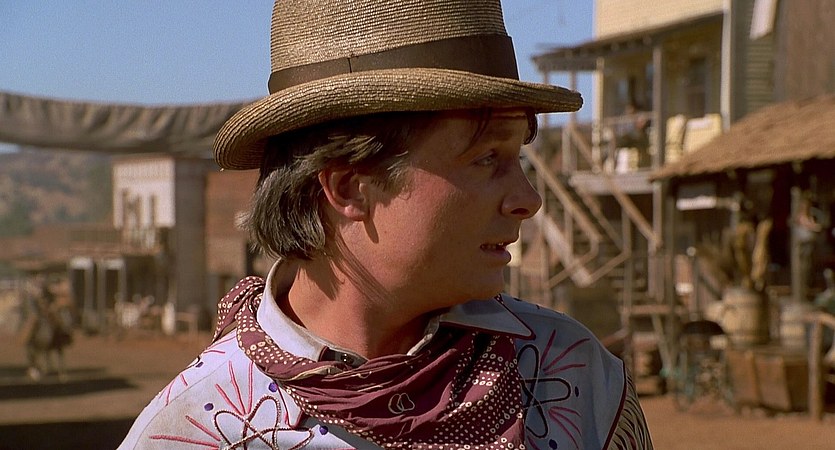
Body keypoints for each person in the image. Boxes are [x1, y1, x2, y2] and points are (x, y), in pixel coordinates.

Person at [119, 1, 653, 449]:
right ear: (351, 188)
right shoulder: (196, 431)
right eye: (487, 158)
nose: (527, 200)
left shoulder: (574, 375)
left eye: (519, 158)